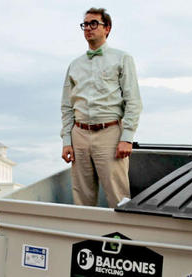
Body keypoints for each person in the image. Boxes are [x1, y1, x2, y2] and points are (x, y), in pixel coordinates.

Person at [60, 7, 142, 208]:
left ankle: (120, 239)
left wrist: (127, 138)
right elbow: (66, 106)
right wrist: (67, 140)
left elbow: (133, 100)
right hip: (79, 134)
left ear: (107, 28)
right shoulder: (74, 65)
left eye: (94, 23)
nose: (88, 28)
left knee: (118, 195)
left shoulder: (122, 59)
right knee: (82, 197)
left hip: (110, 134)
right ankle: (87, 239)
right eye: (85, 24)